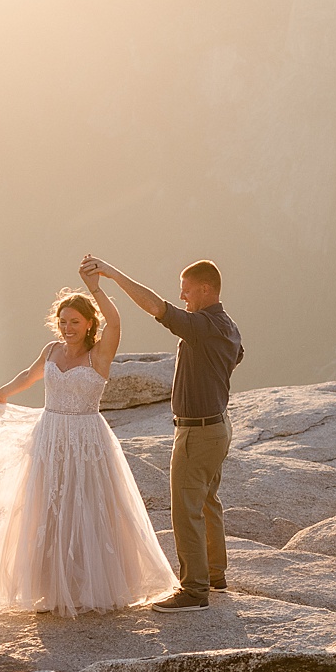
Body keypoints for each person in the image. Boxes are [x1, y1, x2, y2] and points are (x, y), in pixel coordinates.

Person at [0, 267, 178, 616]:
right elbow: (29, 375)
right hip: (50, 436)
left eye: (74, 322)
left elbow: (116, 323)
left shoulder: (99, 354)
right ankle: (47, 588)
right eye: (63, 322)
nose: (67, 328)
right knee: (46, 509)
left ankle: (89, 586)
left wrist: (97, 288)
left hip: (88, 439)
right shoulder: (52, 351)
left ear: (89, 323)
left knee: (90, 509)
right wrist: (2, 394)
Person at [82, 254, 242, 612]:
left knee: (186, 509)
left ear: (205, 289)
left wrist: (111, 272)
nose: (183, 297)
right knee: (207, 501)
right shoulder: (227, 326)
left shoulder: (203, 326)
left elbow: (156, 306)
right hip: (218, 426)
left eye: (186, 291)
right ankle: (215, 574)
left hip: (198, 432)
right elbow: (238, 356)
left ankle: (194, 591)